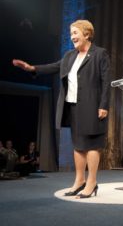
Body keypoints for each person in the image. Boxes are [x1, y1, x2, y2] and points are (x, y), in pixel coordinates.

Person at [13, 19, 110, 199]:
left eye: (75, 33)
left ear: (87, 34)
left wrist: (103, 105)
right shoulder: (69, 56)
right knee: (78, 146)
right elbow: (53, 67)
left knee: (92, 145)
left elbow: (106, 82)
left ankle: (92, 182)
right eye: (71, 33)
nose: (72, 36)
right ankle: (79, 181)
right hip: (73, 105)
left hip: (93, 105)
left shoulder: (100, 54)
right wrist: (32, 68)